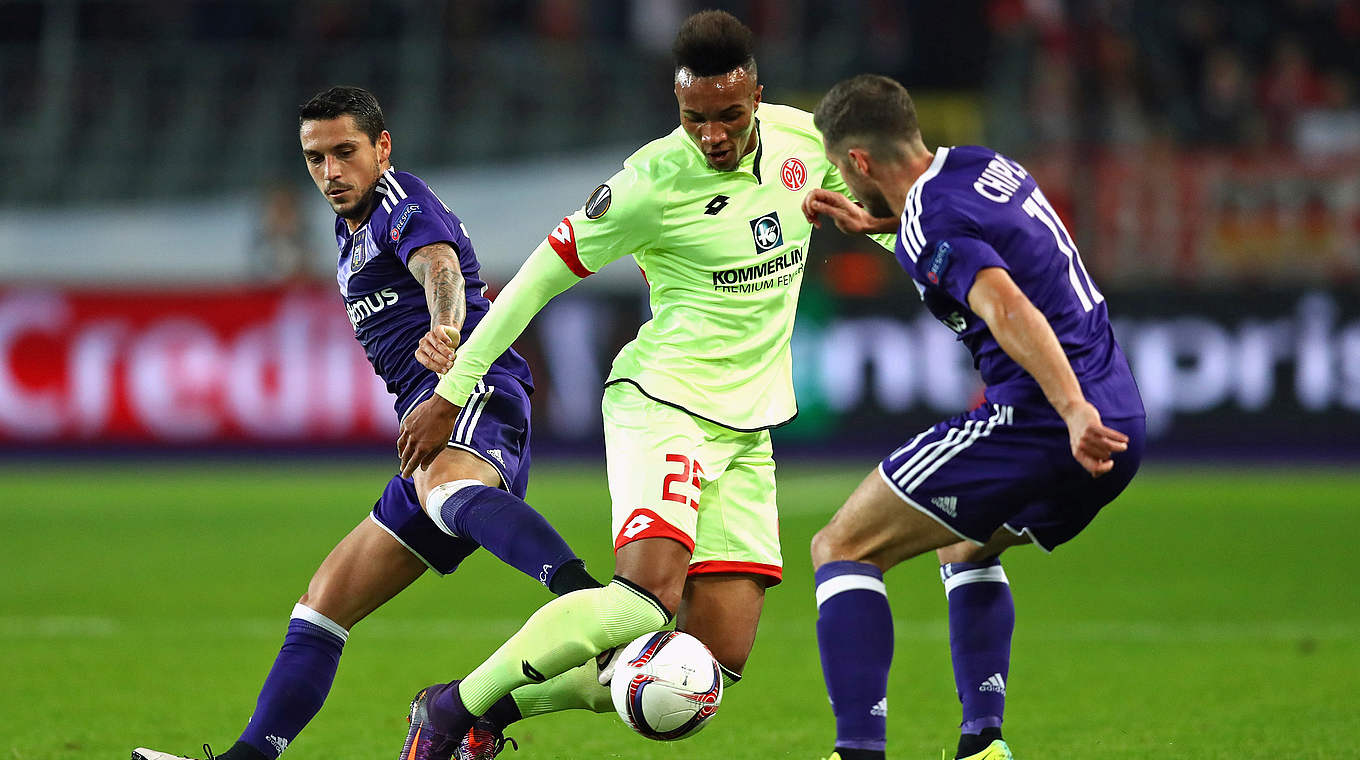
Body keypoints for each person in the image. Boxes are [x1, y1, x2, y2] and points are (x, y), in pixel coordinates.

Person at [393, 11, 898, 760]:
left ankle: (487, 714)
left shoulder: (803, 141)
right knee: (642, 602)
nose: (715, 134)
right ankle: (450, 713)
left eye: (730, 115)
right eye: (697, 118)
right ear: (677, 103)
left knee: (705, 667)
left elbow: (883, 219)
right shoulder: (647, 183)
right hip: (663, 403)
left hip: (748, 427)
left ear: (756, 94)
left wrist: (891, 232)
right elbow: (533, 283)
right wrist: (453, 389)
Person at [131, 86, 601, 760]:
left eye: (345, 152)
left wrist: (445, 330)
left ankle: (587, 601)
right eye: (315, 159)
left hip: (470, 392)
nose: (330, 173)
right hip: (425, 425)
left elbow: (436, 263)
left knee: (446, 493)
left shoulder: (396, 200)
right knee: (322, 604)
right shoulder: (345, 230)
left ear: (382, 148)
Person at [802, 74, 1146, 760]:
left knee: (841, 548)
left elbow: (1006, 305)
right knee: (966, 546)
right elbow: (982, 238)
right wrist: (885, 223)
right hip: (1122, 416)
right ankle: (982, 745)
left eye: (843, 167)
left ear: (859, 163)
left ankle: (857, 752)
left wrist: (1070, 408)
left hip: (1049, 419)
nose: (844, 178)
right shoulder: (985, 165)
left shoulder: (933, 220)